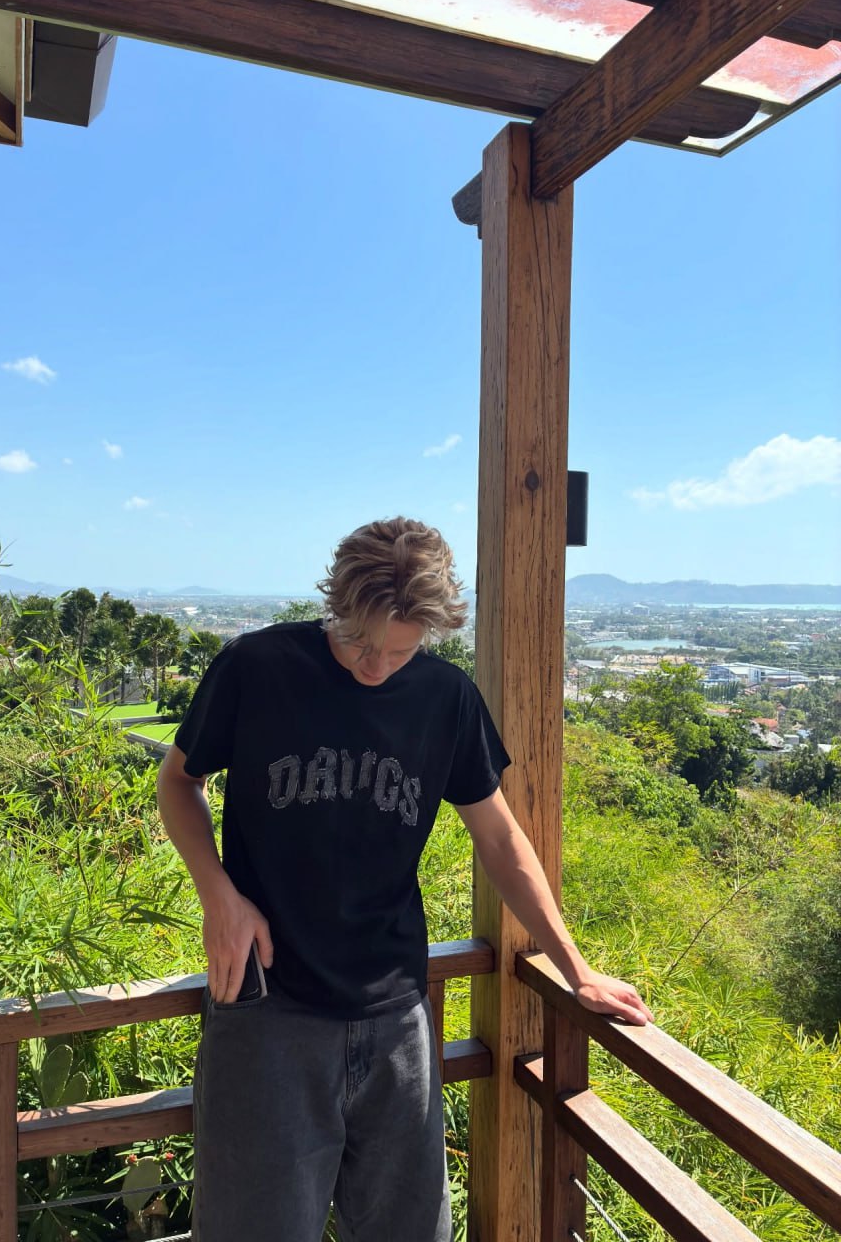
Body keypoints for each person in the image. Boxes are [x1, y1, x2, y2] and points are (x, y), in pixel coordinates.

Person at [156, 516, 652, 1242]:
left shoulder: (445, 698)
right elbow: (178, 782)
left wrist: (577, 970)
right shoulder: (257, 668)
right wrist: (219, 896)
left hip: (398, 1022)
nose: (376, 666)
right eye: (361, 643)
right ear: (336, 605)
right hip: (266, 1016)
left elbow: (500, 839)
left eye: (401, 650)